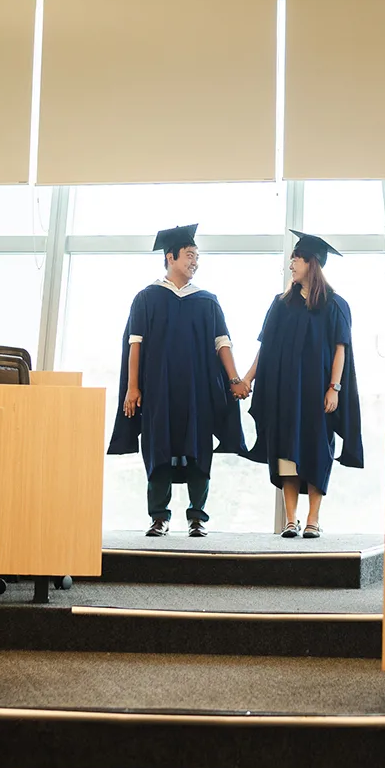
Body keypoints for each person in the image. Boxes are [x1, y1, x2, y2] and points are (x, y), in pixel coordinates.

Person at [107, 224, 249, 538]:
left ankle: (197, 517)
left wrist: (234, 378)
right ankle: (159, 517)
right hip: (159, 390)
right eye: (189, 256)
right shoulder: (147, 297)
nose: (195, 262)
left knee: (199, 449)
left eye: (197, 257)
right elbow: (135, 344)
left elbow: (222, 342)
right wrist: (132, 388)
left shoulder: (207, 300)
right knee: (158, 449)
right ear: (171, 257)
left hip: (197, 391)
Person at [241, 231, 362, 539]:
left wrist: (334, 388)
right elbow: (265, 348)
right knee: (286, 452)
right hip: (285, 392)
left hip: (317, 393)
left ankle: (313, 519)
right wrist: (247, 378)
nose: (292, 263)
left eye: (297, 258)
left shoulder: (336, 305)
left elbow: (341, 349)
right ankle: (290, 520)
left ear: (312, 263)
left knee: (317, 450)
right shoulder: (281, 304)